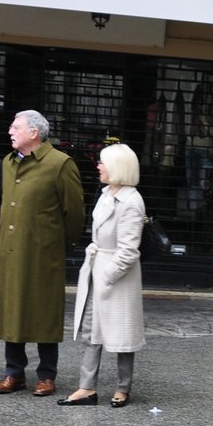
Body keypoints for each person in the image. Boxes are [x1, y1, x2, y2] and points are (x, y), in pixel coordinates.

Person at [0, 110, 84, 398]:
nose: (10, 130)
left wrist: (57, 245)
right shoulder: (8, 163)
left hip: (44, 254)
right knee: (13, 309)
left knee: (44, 311)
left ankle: (46, 375)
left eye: (15, 126)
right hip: (11, 250)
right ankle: (14, 373)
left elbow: (75, 214)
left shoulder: (59, 164)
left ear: (34, 133)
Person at [59, 143, 145, 408]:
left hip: (118, 276)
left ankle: (123, 388)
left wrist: (108, 275)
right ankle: (86, 387)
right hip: (97, 268)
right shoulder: (107, 193)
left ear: (118, 167)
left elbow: (129, 250)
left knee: (122, 335)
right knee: (90, 331)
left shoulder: (131, 201)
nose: (98, 166)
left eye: (102, 162)